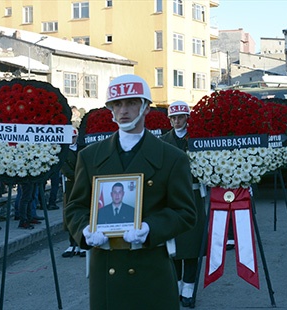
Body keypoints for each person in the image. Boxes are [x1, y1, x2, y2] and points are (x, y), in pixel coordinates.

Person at [65, 74, 196, 310]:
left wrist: (150, 228)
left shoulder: (172, 157)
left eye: (132, 103)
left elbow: (185, 212)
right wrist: (84, 229)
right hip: (106, 266)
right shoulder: (90, 156)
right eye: (117, 104)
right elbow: (75, 207)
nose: (123, 110)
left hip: (150, 265)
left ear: (146, 107)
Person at [160, 101, 207, 308]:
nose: (176, 121)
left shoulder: (197, 139)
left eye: (180, 117)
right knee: (174, 244)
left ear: (187, 117)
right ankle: (177, 284)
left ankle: (189, 287)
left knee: (192, 244)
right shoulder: (163, 141)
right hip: (171, 198)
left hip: (193, 195)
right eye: (173, 118)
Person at [61, 128, 85, 257]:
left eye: (74, 137)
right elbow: (65, 169)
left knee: (83, 212)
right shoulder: (63, 152)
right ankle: (72, 243)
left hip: (83, 185)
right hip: (71, 186)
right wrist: (79, 177)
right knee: (70, 213)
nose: (72, 140)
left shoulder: (83, 149)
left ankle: (82, 242)